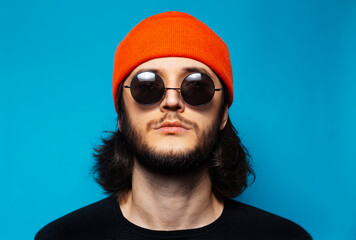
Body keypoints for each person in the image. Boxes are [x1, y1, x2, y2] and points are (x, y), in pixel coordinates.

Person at [35, 11, 312, 240]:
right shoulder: (61, 237)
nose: (171, 101)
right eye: (147, 86)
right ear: (121, 114)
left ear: (223, 114)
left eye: (196, 86)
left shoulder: (285, 237)